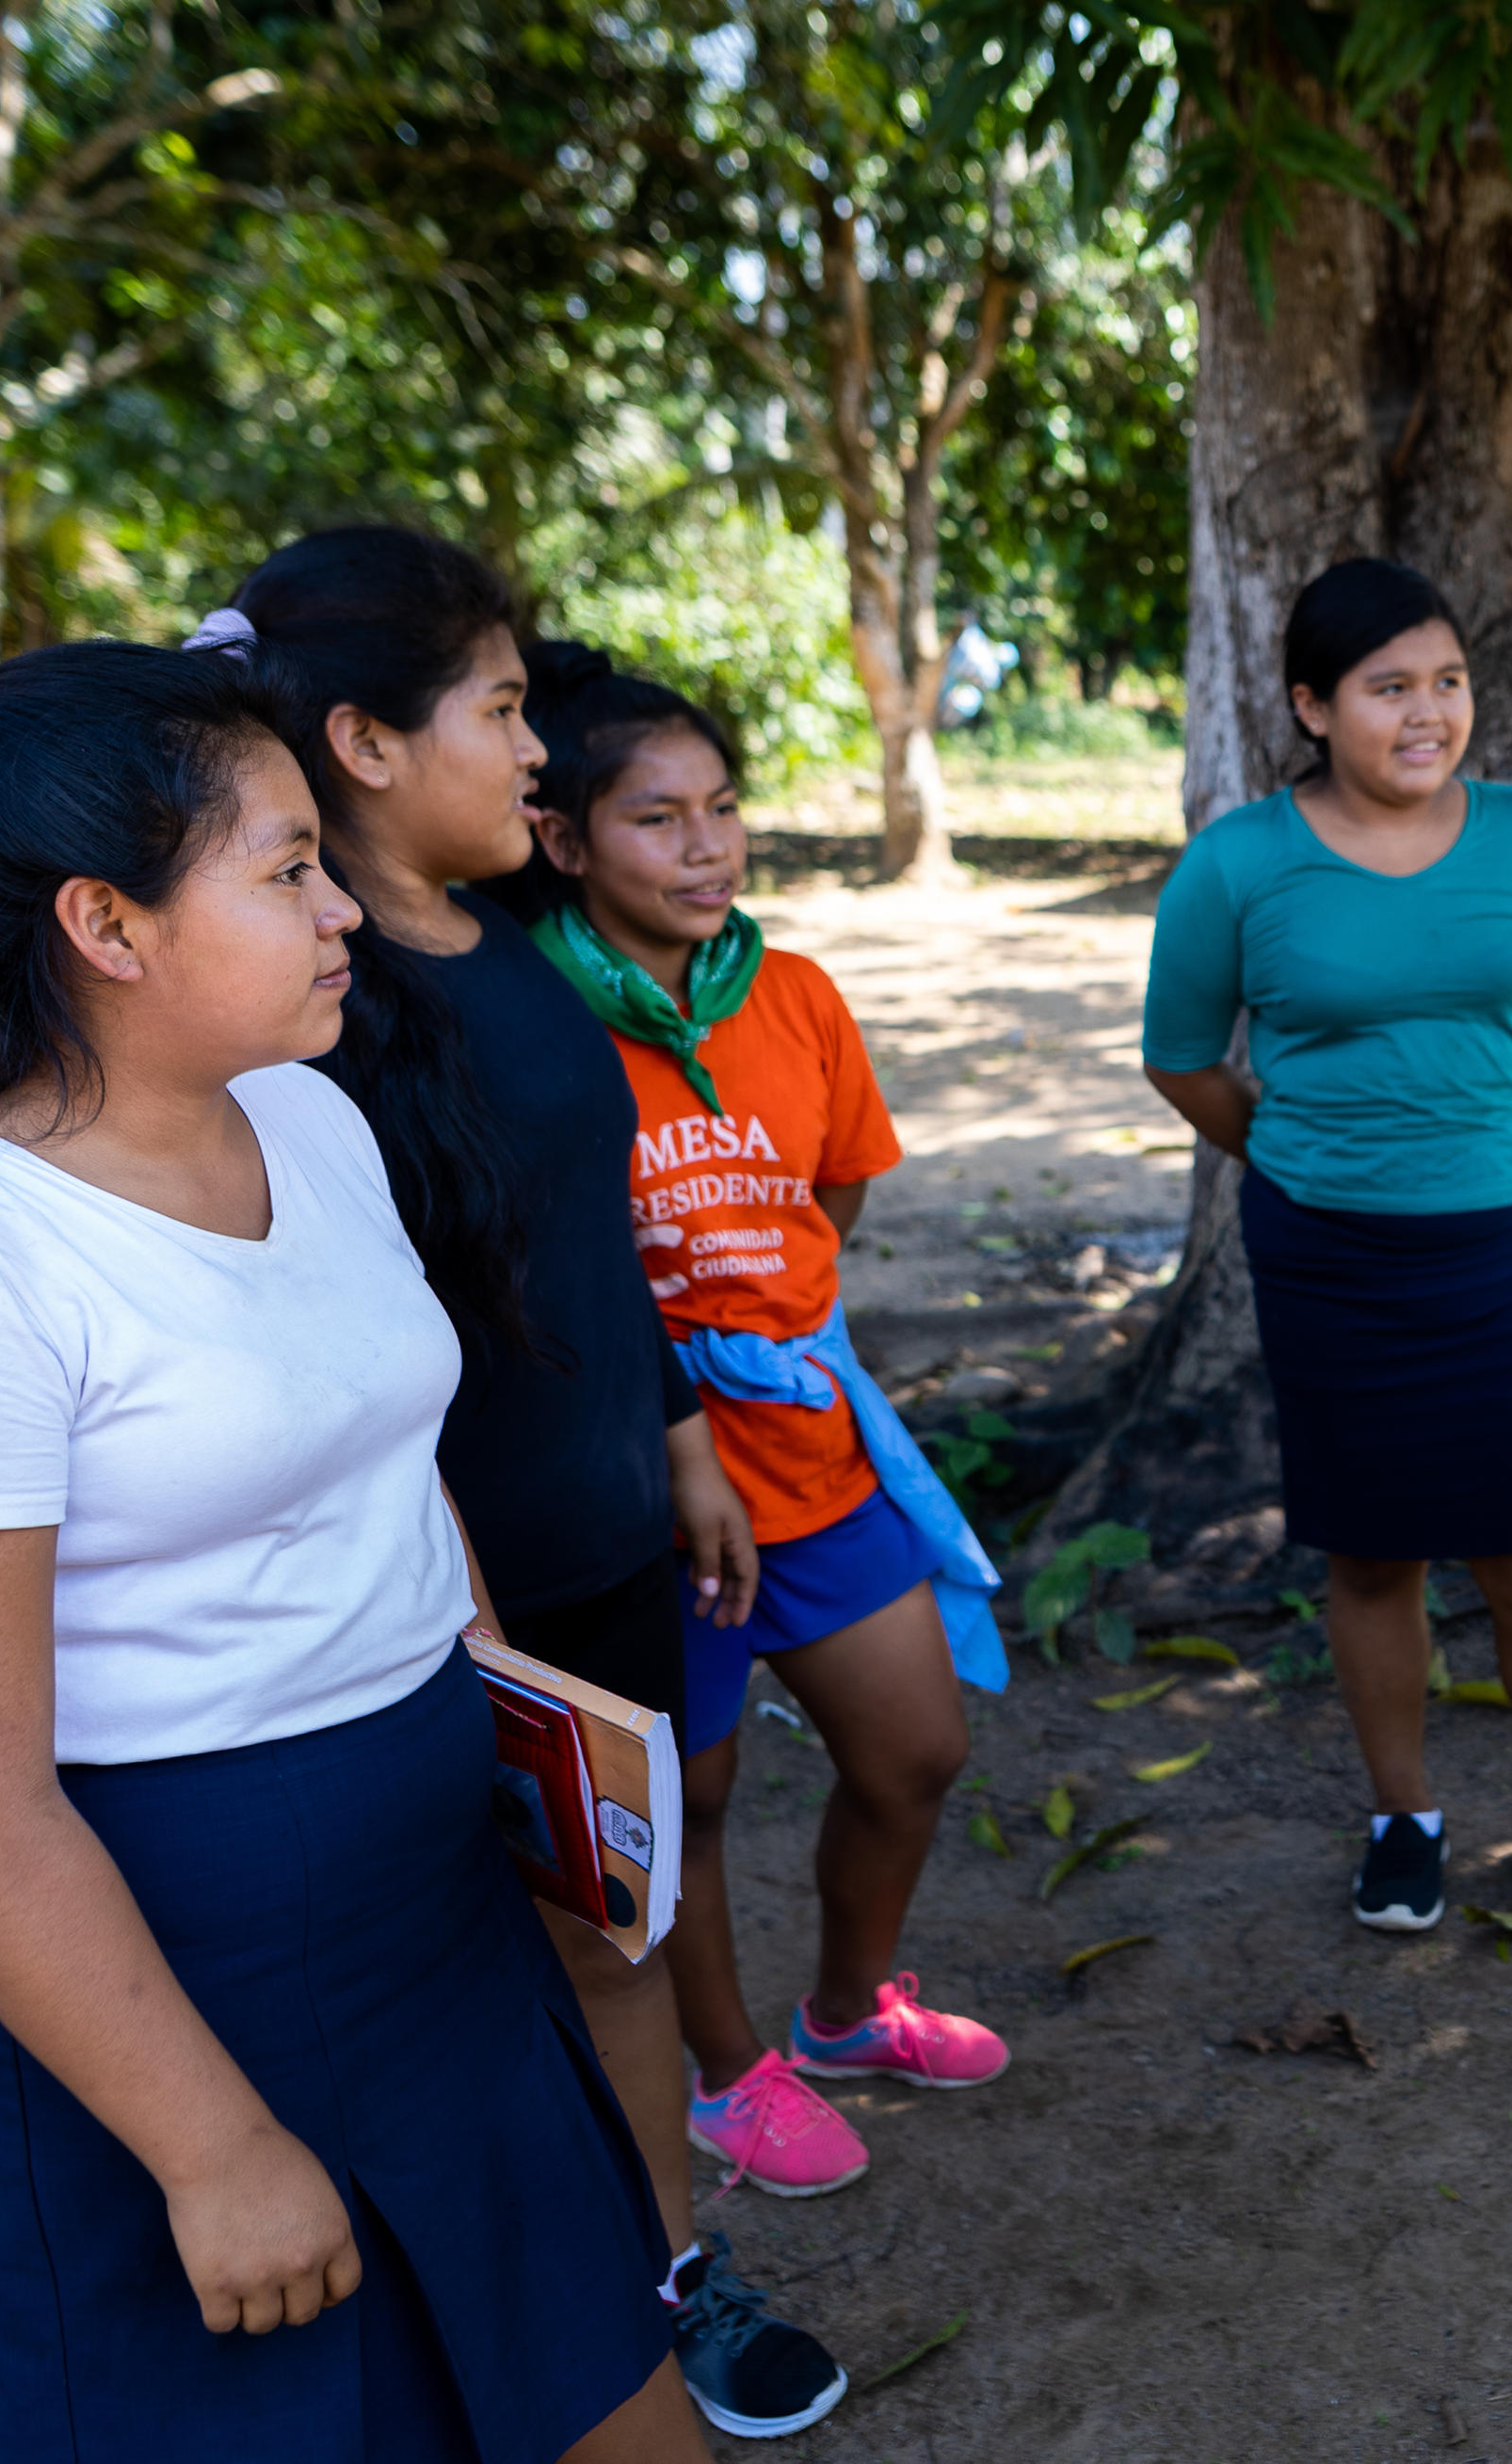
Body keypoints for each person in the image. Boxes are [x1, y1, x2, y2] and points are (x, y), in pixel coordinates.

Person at [0, 643, 685, 2457]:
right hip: (176, 1963)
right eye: (285, 867)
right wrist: (212, 2141)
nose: (345, 906)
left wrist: (519, 1736)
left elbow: (395, 1466)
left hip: (441, 1898)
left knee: (585, 2382)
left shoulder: (308, 1118)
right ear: (104, 921)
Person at [217, 533, 845, 2443]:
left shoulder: (507, 951)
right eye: (498, 713)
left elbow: (589, 1255)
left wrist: (675, 1451)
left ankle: (662, 2283)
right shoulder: (316, 1016)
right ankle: (446, 2338)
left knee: (614, 1930)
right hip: (437, 1597)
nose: (535, 761)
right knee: (437, 1979)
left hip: (605, 1546)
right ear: (364, 741)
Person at [506, 641, 1012, 2216]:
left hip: (811, 1453)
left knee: (916, 1745)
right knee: (692, 1801)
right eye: (657, 818)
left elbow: (831, 1194)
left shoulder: (790, 993)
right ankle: (730, 2076)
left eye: (722, 807)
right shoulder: (531, 1020)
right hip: (656, 1493)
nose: (709, 844)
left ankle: (849, 2013)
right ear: (567, 840)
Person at [1137, 557, 1512, 1935]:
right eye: (1389, 686)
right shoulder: (1239, 862)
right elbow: (1183, 1058)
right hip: (1329, 1260)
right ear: (1311, 703)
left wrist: (1460, 1114)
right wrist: (1314, 1150)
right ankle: (1402, 1814)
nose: (1429, 712)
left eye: (1449, 681)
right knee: (1370, 1557)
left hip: (1507, 1248)